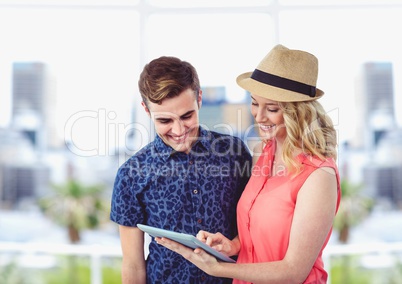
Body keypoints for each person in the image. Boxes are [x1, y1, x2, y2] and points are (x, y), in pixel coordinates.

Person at [157, 44, 342, 283]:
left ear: (299, 113)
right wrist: (232, 246)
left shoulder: (318, 176)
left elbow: (294, 271)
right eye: (255, 103)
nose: (259, 115)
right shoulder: (263, 152)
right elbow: (260, 231)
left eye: (272, 108)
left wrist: (219, 269)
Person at [110, 56, 252, 283]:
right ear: (146, 110)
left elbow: (253, 226)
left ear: (200, 99)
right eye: (165, 120)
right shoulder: (131, 174)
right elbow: (133, 265)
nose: (178, 130)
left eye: (187, 116)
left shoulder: (234, 153)